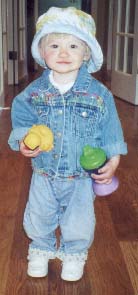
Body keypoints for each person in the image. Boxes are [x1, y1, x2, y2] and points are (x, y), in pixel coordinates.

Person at [8, 7, 127, 281]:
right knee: (38, 214)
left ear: (86, 53)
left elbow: (111, 128)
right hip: (44, 171)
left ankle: (74, 252)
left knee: (79, 219)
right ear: (42, 52)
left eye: (73, 45)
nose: (63, 53)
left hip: (81, 176)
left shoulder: (99, 94)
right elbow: (22, 118)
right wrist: (24, 140)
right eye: (55, 45)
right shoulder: (34, 92)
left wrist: (113, 159)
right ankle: (40, 247)